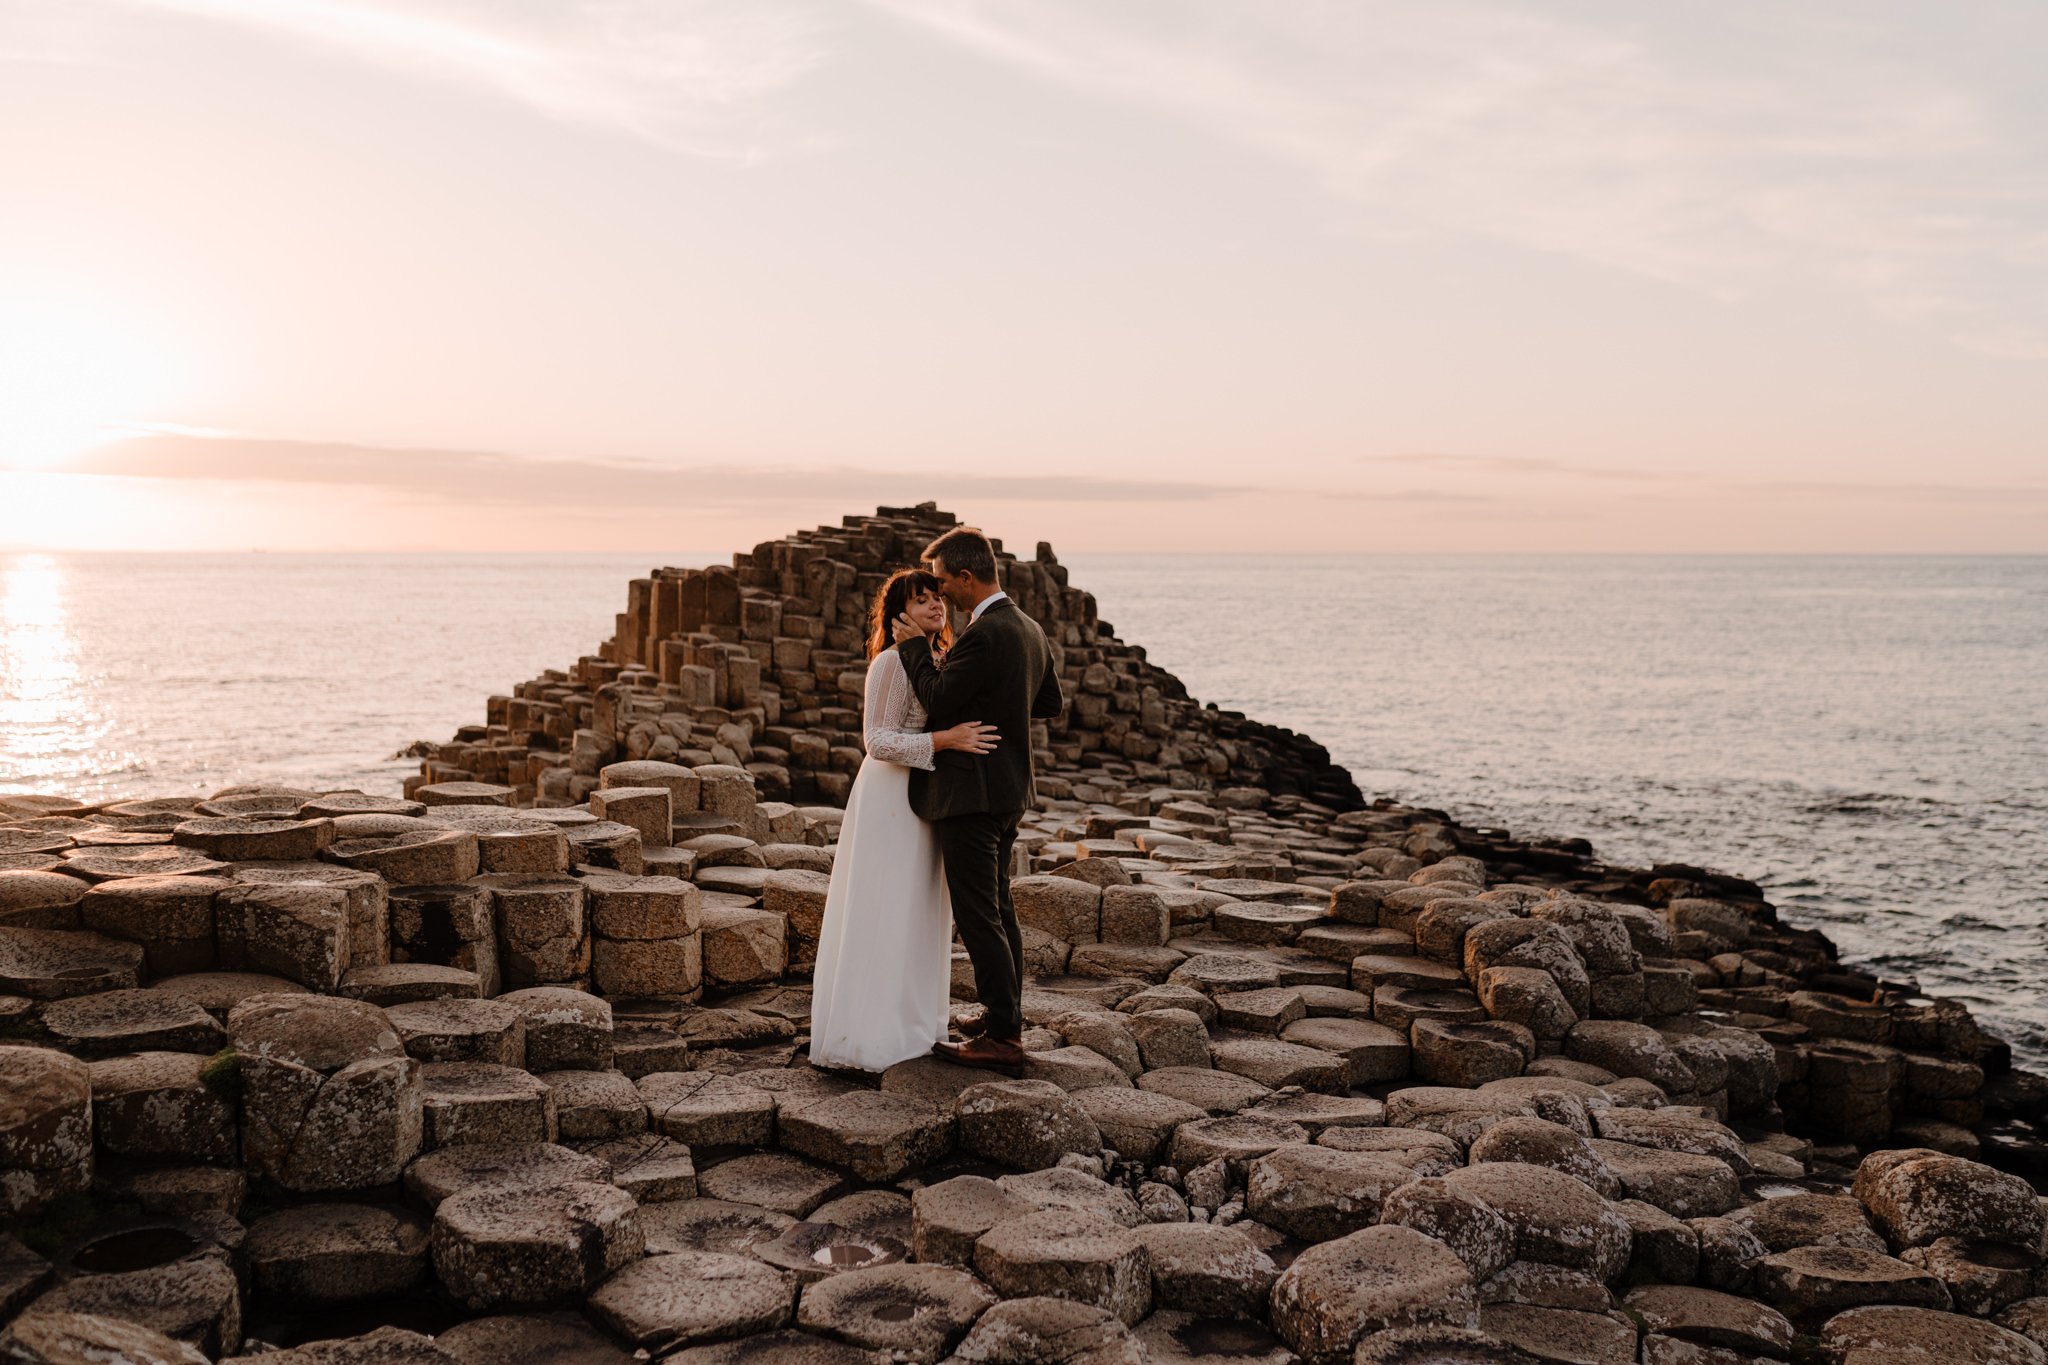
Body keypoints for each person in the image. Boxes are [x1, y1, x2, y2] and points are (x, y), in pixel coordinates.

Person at [807, 568, 1000, 1073]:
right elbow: (879, 741)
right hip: (889, 797)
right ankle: (870, 1035)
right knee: (883, 907)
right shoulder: (891, 663)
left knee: (916, 910)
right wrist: (946, 740)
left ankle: (912, 1026)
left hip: (924, 800)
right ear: (898, 616)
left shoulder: (940, 659)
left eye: (938, 598)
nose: (935, 606)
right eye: (921, 601)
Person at [892, 526, 1064, 1076]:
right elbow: (1050, 703)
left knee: (978, 915)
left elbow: (939, 698)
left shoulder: (986, 633)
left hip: (972, 793)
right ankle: (1003, 1018)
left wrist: (913, 649)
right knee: (999, 907)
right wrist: (999, 707)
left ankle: (1004, 1039)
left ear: (967, 578)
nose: (940, 594)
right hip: (1011, 790)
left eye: (943, 583)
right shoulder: (1030, 627)